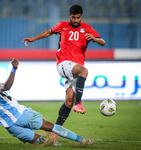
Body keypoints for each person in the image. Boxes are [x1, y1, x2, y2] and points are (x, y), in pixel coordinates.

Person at [0, 58, 93, 146]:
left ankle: (56, 145)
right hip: (22, 114)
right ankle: (82, 141)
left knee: (44, 143)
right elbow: (6, 86)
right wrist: (14, 69)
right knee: (51, 127)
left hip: (11, 127)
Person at [22, 4, 106, 141]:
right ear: (69, 16)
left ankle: (54, 134)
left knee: (68, 102)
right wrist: (33, 39)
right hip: (64, 64)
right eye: (73, 17)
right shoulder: (62, 25)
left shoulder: (87, 28)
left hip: (75, 69)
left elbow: (103, 42)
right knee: (84, 71)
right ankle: (79, 103)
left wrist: (95, 39)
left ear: (81, 17)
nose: (76, 20)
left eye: (78, 18)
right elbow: (49, 32)